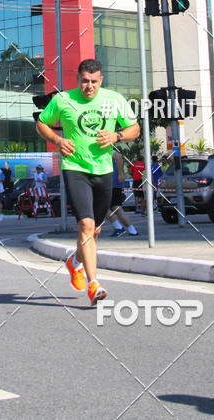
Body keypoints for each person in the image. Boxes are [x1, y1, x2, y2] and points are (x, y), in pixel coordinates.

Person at [36, 58, 139, 305]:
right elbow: (41, 123)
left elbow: (134, 128)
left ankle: (74, 262)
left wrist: (117, 135)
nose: (89, 86)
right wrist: (59, 141)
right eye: (84, 81)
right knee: (85, 225)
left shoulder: (114, 99)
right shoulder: (63, 100)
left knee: (96, 230)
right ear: (78, 80)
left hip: (103, 171)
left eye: (93, 82)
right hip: (75, 168)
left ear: (100, 80)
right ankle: (94, 284)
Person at [106, 151, 138, 237]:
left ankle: (119, 227)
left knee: (102, 207)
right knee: (116, 207)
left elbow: (118, 156)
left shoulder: (106, 148)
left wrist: (121, 173)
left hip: (111, 183)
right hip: (112, 183)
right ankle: (132, 230)